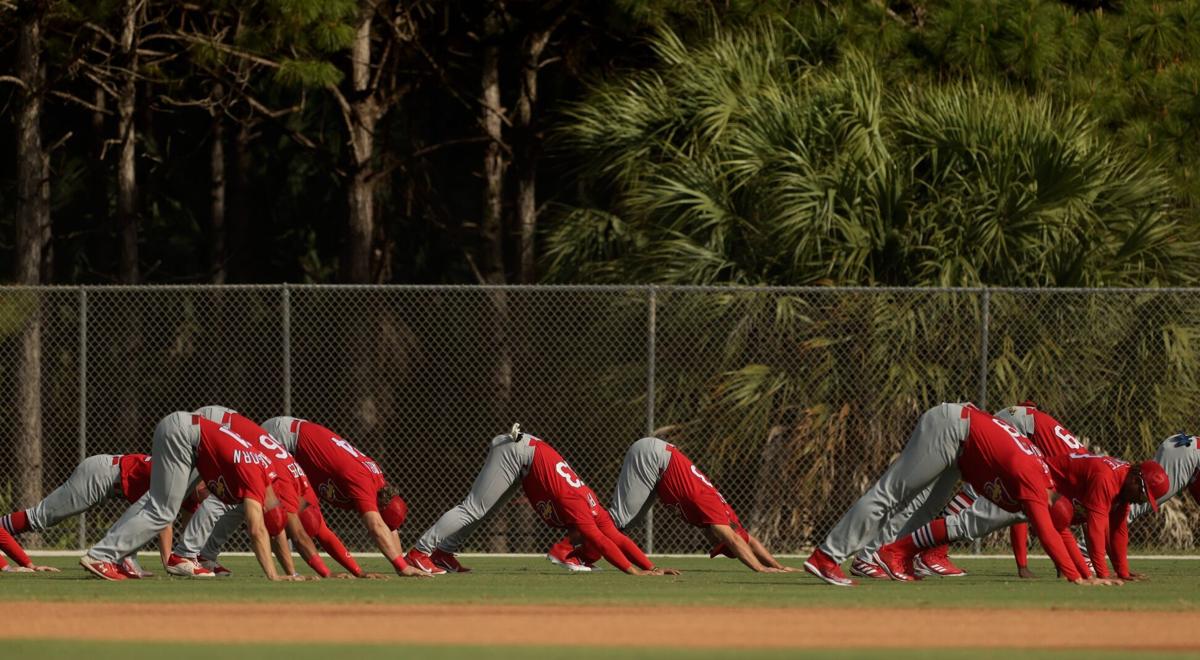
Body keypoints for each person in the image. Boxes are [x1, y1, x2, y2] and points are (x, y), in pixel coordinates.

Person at [804, 402, 1092, 587]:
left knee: (930, 507)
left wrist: (1086, 575)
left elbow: (1059, 529)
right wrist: (1073, 575)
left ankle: (883, 557)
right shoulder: (1033, 479)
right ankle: (827, 557)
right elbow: (1047, 531)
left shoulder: (1045, 487)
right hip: (952, 426)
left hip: (963, 445)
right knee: (891, 494)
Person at [406, 424, 678, 577]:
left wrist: (650, 566)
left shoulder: (593, 504)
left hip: (527, 455)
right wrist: (632, 571)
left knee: (485, 511)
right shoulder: (579, 504)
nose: (578, 542)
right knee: (473, 507)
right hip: (516, 451)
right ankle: (420, 552)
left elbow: (616, 538)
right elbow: (601, 541)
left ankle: (443, 554)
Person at [880, 454, 1169, 583]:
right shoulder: (1108, 478)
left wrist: (1122, 571)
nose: (1144, 500)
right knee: (968, 524)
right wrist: (1102, 575)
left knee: (968, 525)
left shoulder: (1125, 484)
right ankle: (893, 550)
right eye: (1145, 494)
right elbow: (1096, 531)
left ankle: (898, 552)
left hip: (1051, 498)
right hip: (1030, 486)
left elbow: (1117, 529)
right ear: (1137, 477)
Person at [78, 412, 287, 581]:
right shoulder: (255, 478)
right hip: (185, 435)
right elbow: (257, 530)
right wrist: (273, 575)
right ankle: (101, 556)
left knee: (158, 507)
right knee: (162, 511)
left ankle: (181, 556)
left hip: (183, 429)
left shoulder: (259, 470)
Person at [545, 437, 796, 573]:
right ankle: (564, 550)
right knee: (618, 519)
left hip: (659, 465)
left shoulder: (727, 516)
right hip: (653, 458)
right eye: (717, 542)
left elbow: (747, 539)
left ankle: (583, 557)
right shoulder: (714, 512)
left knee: (627, 522)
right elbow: (735, 540)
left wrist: (777, 565)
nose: (713, 543)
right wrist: (759, 569)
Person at [169, 406, 337, 579]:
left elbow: (276, 526)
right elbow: (289, 534)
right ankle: (183, 554)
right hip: (212, 425)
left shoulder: (294, 487)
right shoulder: (283, 488)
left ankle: (205, 556)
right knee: (175, 497)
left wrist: (291, 574)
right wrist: (325, 573)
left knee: (239, 504)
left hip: (229, 434)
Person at [260, 416, 427, 579]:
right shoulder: (362, 482)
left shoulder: (380, 488)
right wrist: (402, 566)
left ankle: (298, 570)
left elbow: (388, 526)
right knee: (265, 506)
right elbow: (376, 526)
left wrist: (397, 568)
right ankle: (284, 574)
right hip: (283, 437)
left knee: (310, 521)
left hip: (298, 445)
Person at [0, 452, 159, 577]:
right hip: (99, 476)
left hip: (104, 473)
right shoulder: (169, 471)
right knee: (39, 517)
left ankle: (128, 560)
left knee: (40, 518)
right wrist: (5, 567)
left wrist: (29, 565)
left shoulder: (173, 470)